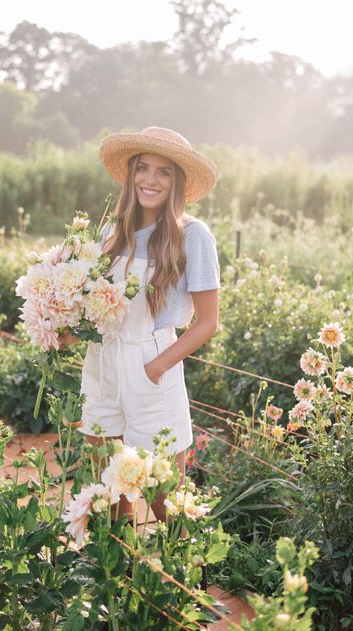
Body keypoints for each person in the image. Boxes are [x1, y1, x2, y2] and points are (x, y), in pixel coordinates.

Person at [61, 126, 220, 521]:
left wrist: (155, 367)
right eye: (143, 168)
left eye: (164, 172)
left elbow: (207, 322)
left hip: (151, 361)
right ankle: (118, 572)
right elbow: (93, 306)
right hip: (101, 363)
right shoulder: (111, 234)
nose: (151, 179)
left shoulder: (193, 236)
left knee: (165, 496)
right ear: (130, 175)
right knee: (110, 489)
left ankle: (184, 574)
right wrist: (64, 324)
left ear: (177, 181)